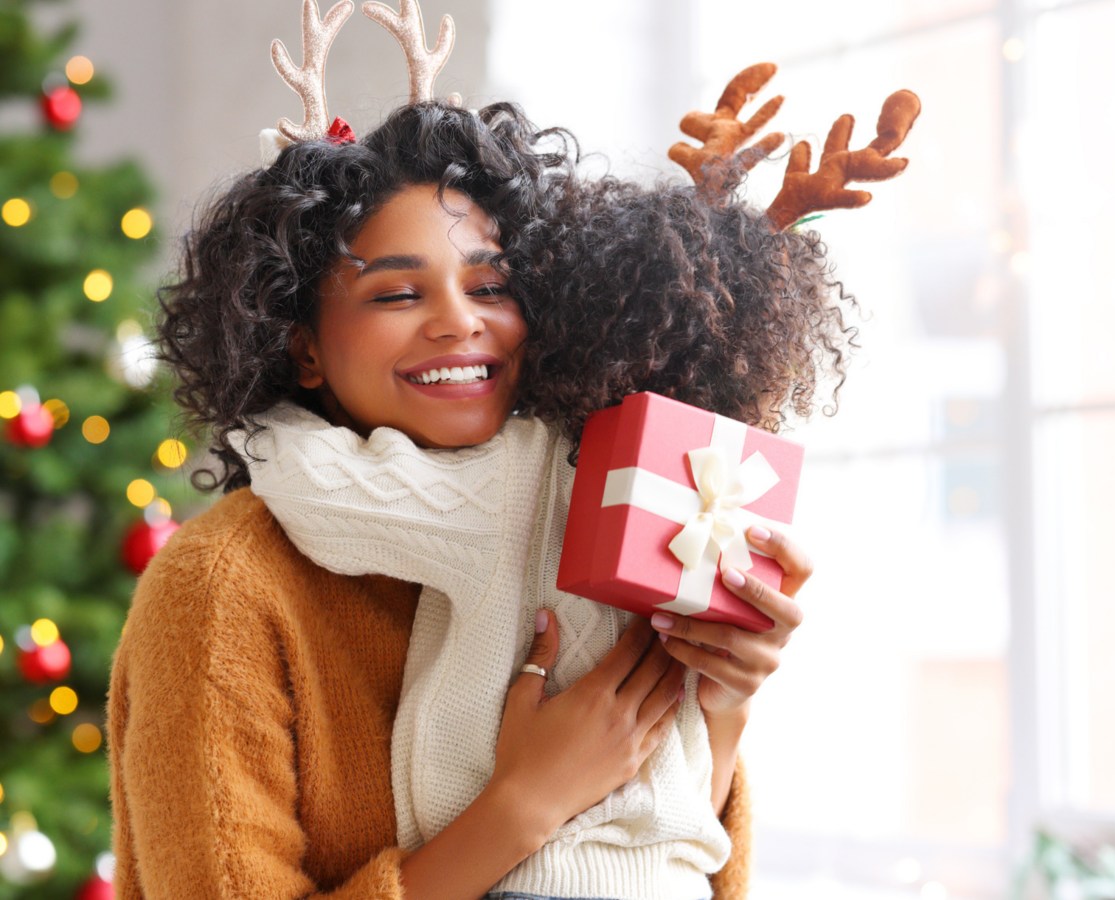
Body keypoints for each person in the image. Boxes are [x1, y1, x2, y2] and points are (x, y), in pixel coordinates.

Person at [107, 96, 844, 898]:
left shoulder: (579, 502)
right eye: (396, 295)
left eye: (491, 286)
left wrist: (722, 700)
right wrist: (523, 804)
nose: (460, 324)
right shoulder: (222, 587)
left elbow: (667, 856)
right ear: (305, 346)